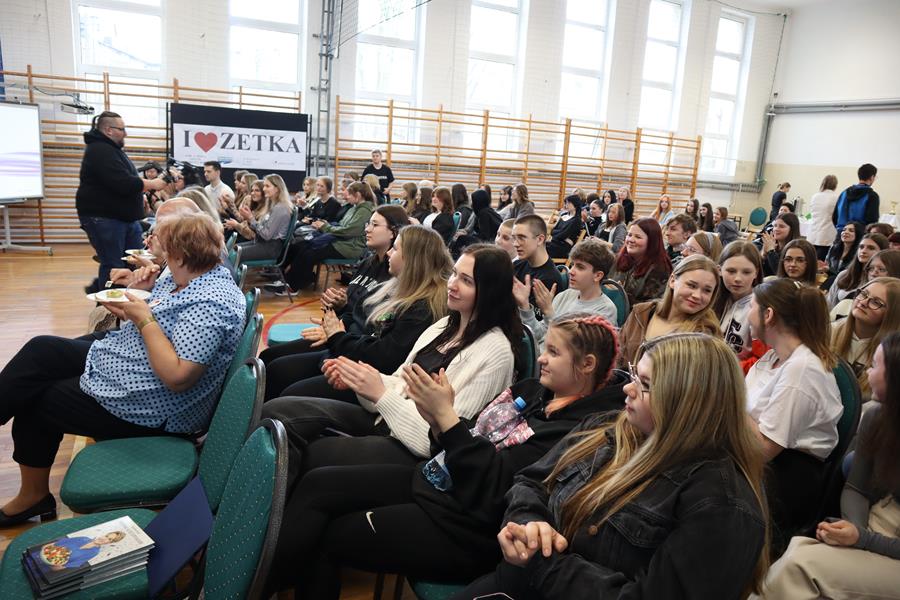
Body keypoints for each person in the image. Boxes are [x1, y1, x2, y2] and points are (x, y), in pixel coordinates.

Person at [265, 315, 626, 598]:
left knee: (329, 536)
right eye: (545, 349)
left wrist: (446, 420)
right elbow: (471, 436)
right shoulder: (534, 390)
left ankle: (258, 583)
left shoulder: (579, 433)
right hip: (436, 483)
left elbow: (496, 490)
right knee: (319, 483)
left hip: (465, 527)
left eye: (554, 353)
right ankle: (258, 579)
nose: (542, 359)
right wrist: (438, 420)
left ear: (587, 364)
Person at [460, 333, 769, 600]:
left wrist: (542, 562)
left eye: (645, 384)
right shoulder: (609, 426)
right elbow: (531, 481)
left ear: (688, 403)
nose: (627, 389)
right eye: (635, 375)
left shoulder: (722, 505)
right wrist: (528, 523)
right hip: (516, 582)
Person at [0, 213, 245, 525]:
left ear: (181, 255)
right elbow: (165, 322)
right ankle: (33, 496)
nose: (160, 257)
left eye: (166, 251)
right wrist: (137, 301)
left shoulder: (211, 303)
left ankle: (33, 497)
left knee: (37, 398)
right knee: (41, 352)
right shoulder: (193, 274)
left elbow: (178, 376)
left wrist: (143, 317)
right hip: (132, 366)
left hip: (156, 408)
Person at [262, 244, 522, 485]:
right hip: (387, 421)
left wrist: (379, 392)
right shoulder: (444, 326)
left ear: (489, 291)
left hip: (417, 453)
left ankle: (274, 508)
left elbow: (441, 440)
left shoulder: (496, 353)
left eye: (466, 281)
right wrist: (361, 380)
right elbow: (399, 382)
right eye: (454, 274)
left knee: (314, 457)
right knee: (278, 410)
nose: (452, 284)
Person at [754, 331, 900, 600]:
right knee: (800, 552)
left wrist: (863, 540)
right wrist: (856, 531)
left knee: (800, 565)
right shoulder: (877, 418)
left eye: (875, 366)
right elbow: (856, 488)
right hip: (879, 521)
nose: (868, 372)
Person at [265, 225, 451, 402]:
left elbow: (384, 357)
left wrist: (337, 336)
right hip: (351, 353)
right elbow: (359, 316)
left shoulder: (422, 308)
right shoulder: (393, 285)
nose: (389, 253)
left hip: (371, 378)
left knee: (287, 388)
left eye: (395, 249)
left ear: (412, 260)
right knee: (275, 367)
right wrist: (336, 328)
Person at [745, 278, 841, 550]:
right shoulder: (773, 357)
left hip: (786, 476)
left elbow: (764, 450)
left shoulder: (802, 369)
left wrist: (725, 397)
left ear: (768, 314)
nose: (747, 314)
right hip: (763, 458)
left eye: (751, 306)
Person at [260, 207, 407, 371]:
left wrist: (336, 333)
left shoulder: (394, 274)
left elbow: (371, 325)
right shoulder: (367, 263)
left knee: (276, 367)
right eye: (368, 224)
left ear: (393, 232)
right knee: (268, 357)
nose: (367, 229)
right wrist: (340, 305)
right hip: (340, 332)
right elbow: (354, 311)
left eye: (375, 225)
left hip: (349, 342)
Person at [76, 111, 168, 293]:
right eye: (122, 129)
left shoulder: (110, 150)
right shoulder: (100, 150)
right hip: (106, 219)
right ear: (109, 130)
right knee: (113, 264)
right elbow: (123, 183)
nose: (125, 133)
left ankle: (132, 295)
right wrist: (153, 184)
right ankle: (110, 302)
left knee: (135, 259)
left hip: (122, 219)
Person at [617, 255, 721, 365]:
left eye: (707, 291)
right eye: (691, 285)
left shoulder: (705, 335)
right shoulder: (640, 312)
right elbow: (618, 357)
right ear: (672, 280)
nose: (697, 296)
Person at [517, 239, 617, 348]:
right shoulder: (564, 296)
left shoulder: (605, 310)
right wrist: (525, 306)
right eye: (572, 265)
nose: (571, 271)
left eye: (580, 267)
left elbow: (574, 349)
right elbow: (538, 335)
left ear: (597, 276)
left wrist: (549, 312)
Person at [281, 181, 376, 293]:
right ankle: (294, 280)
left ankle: (294, 285)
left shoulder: (364, 211)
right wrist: (326, 225)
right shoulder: (355, 208)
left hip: (349, 247)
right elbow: (342, 226)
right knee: (304, 247)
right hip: (342, 242)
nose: (347, 196)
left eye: (349, 194)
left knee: (309, 253)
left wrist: (325, 227)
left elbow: (349, 231)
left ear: (358, 195)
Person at [830, 277, 900, 400]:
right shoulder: (828, 331)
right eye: (863, 294)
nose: (863, 302)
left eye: (876, 302)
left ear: (891, 315)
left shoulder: (892, 353)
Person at [512, 215, 568, 320]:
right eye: (514, 238)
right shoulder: (517, 265)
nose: (515, 244)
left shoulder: (549, 279)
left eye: (521, 238)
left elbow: (536, 324)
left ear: (540, 239)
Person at [608, 217, 672, 306]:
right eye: (629, 235)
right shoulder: (619, 259)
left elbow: (653, 306)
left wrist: (622, 295)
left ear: (652, 241)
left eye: (638, 237)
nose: (630, 240)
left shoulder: (660, 270)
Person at [716, 241, 764, 357]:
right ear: (719, 270)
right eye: (731, 271)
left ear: (756, 273)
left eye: (746, 272)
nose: (738, 278)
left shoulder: (761, 307)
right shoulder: (712, 299)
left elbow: (762, 358)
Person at [234, 174, 294, 261]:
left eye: (267, 186)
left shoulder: (280, 208)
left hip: (271, 248)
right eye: (264, 186)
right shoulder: (273, 205)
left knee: (235, 254)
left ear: (277, 189)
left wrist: (251, 218)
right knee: (234, 249)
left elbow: (266, 235)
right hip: (263, 243)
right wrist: (250, 218)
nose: (264, 189)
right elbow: (262, 228)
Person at [825, 232, 889, 308]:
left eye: (871, 248)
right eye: (861, 247)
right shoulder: (844, 274)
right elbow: (829, 303)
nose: (863, 251)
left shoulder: (882, 279)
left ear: (882, 252)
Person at [833, 163, 880, 233]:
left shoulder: (844, 193)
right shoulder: (872, 196)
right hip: (860, 235)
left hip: (842, 234)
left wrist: (843, 230)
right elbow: (872, 221)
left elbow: (835, 217)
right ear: (872, 177)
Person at [808, 174, 839, 260]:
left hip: (813, 233)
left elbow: (812, 212)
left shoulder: (815, 196)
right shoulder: (835, 197)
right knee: (821, 261)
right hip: (826, 233)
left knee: (811, 259)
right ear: (835, 185)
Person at [760, 212, 801, 277]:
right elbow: (760, 271)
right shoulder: (772, 245)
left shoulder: (796, 249)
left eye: (781, 226)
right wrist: (763, 255)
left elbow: (781, 273)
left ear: (792, 229)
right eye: (775, 226)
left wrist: (771, 252)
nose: (776, 229)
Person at [546, 195, 584, 259]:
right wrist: (558, 232)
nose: (566, 205)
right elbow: (553, 231)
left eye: (569, 203)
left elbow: (563, 235)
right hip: (555, 243)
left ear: (575, 205)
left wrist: (556, 233)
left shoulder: (576, 220)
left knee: (539, 247)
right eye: (566, 203)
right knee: (538, 244)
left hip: (563, 248)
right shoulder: (564, 216)